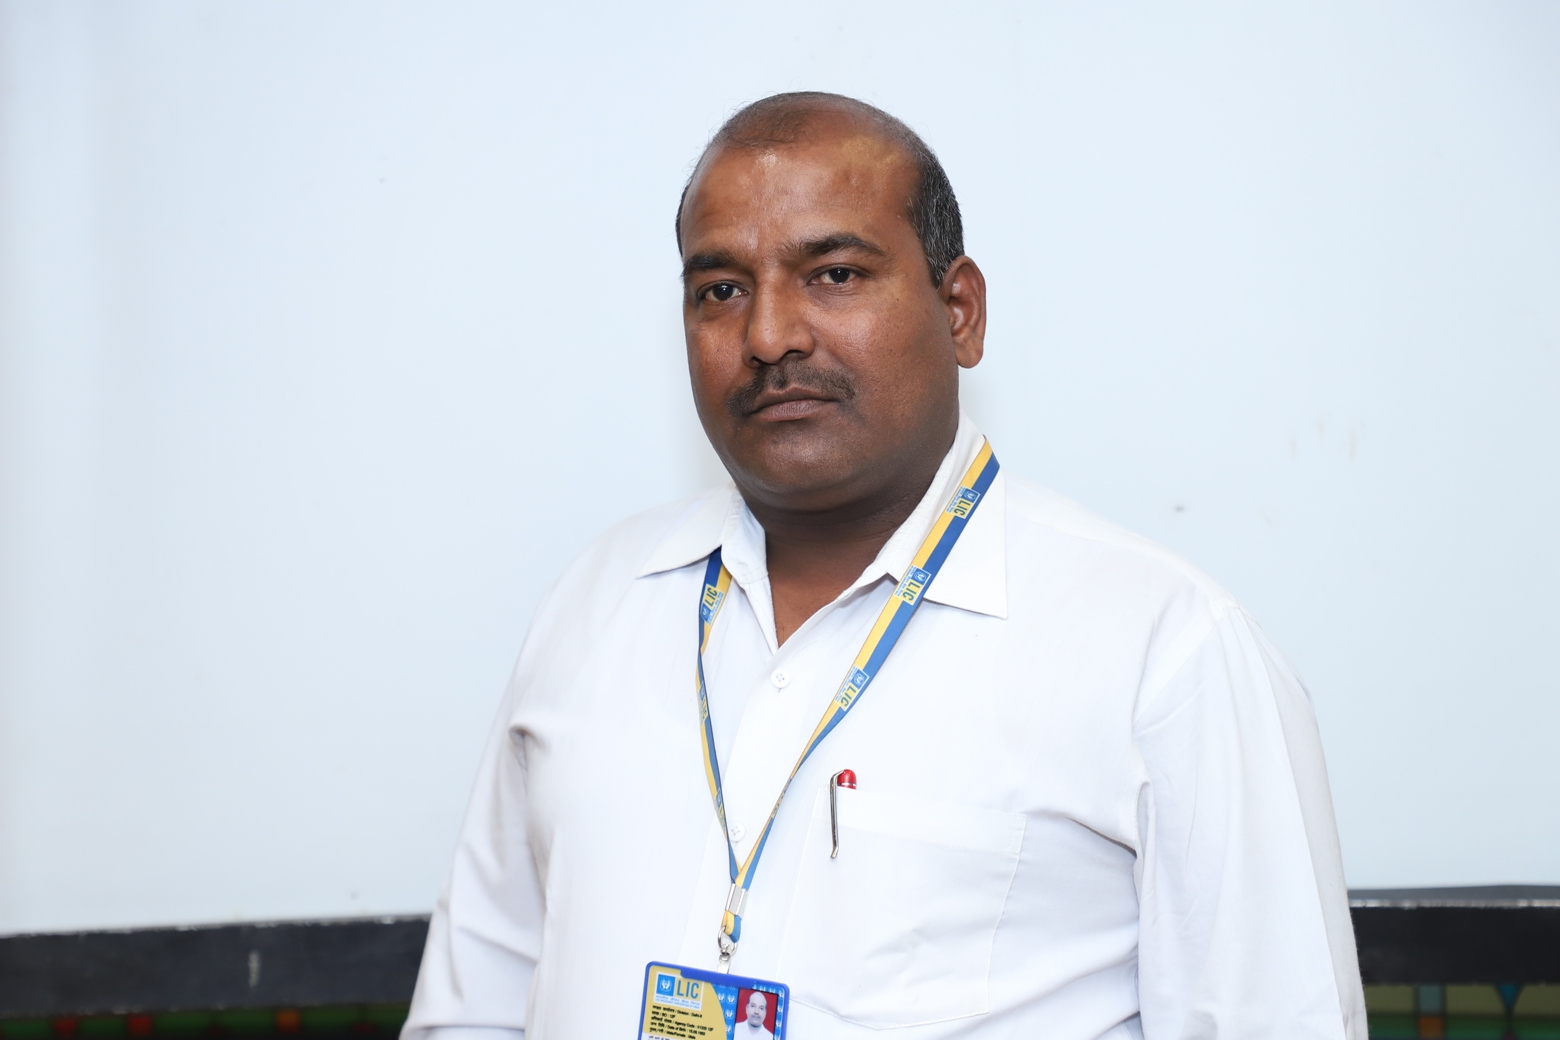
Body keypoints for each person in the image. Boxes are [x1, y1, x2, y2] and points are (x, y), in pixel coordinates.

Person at [402, 92, 1366, 1039]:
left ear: (961, 311)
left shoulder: (1164, 650)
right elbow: (474, 1006)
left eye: (833, 275)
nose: (770, 336)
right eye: (721, 290)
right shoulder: (599, 602)